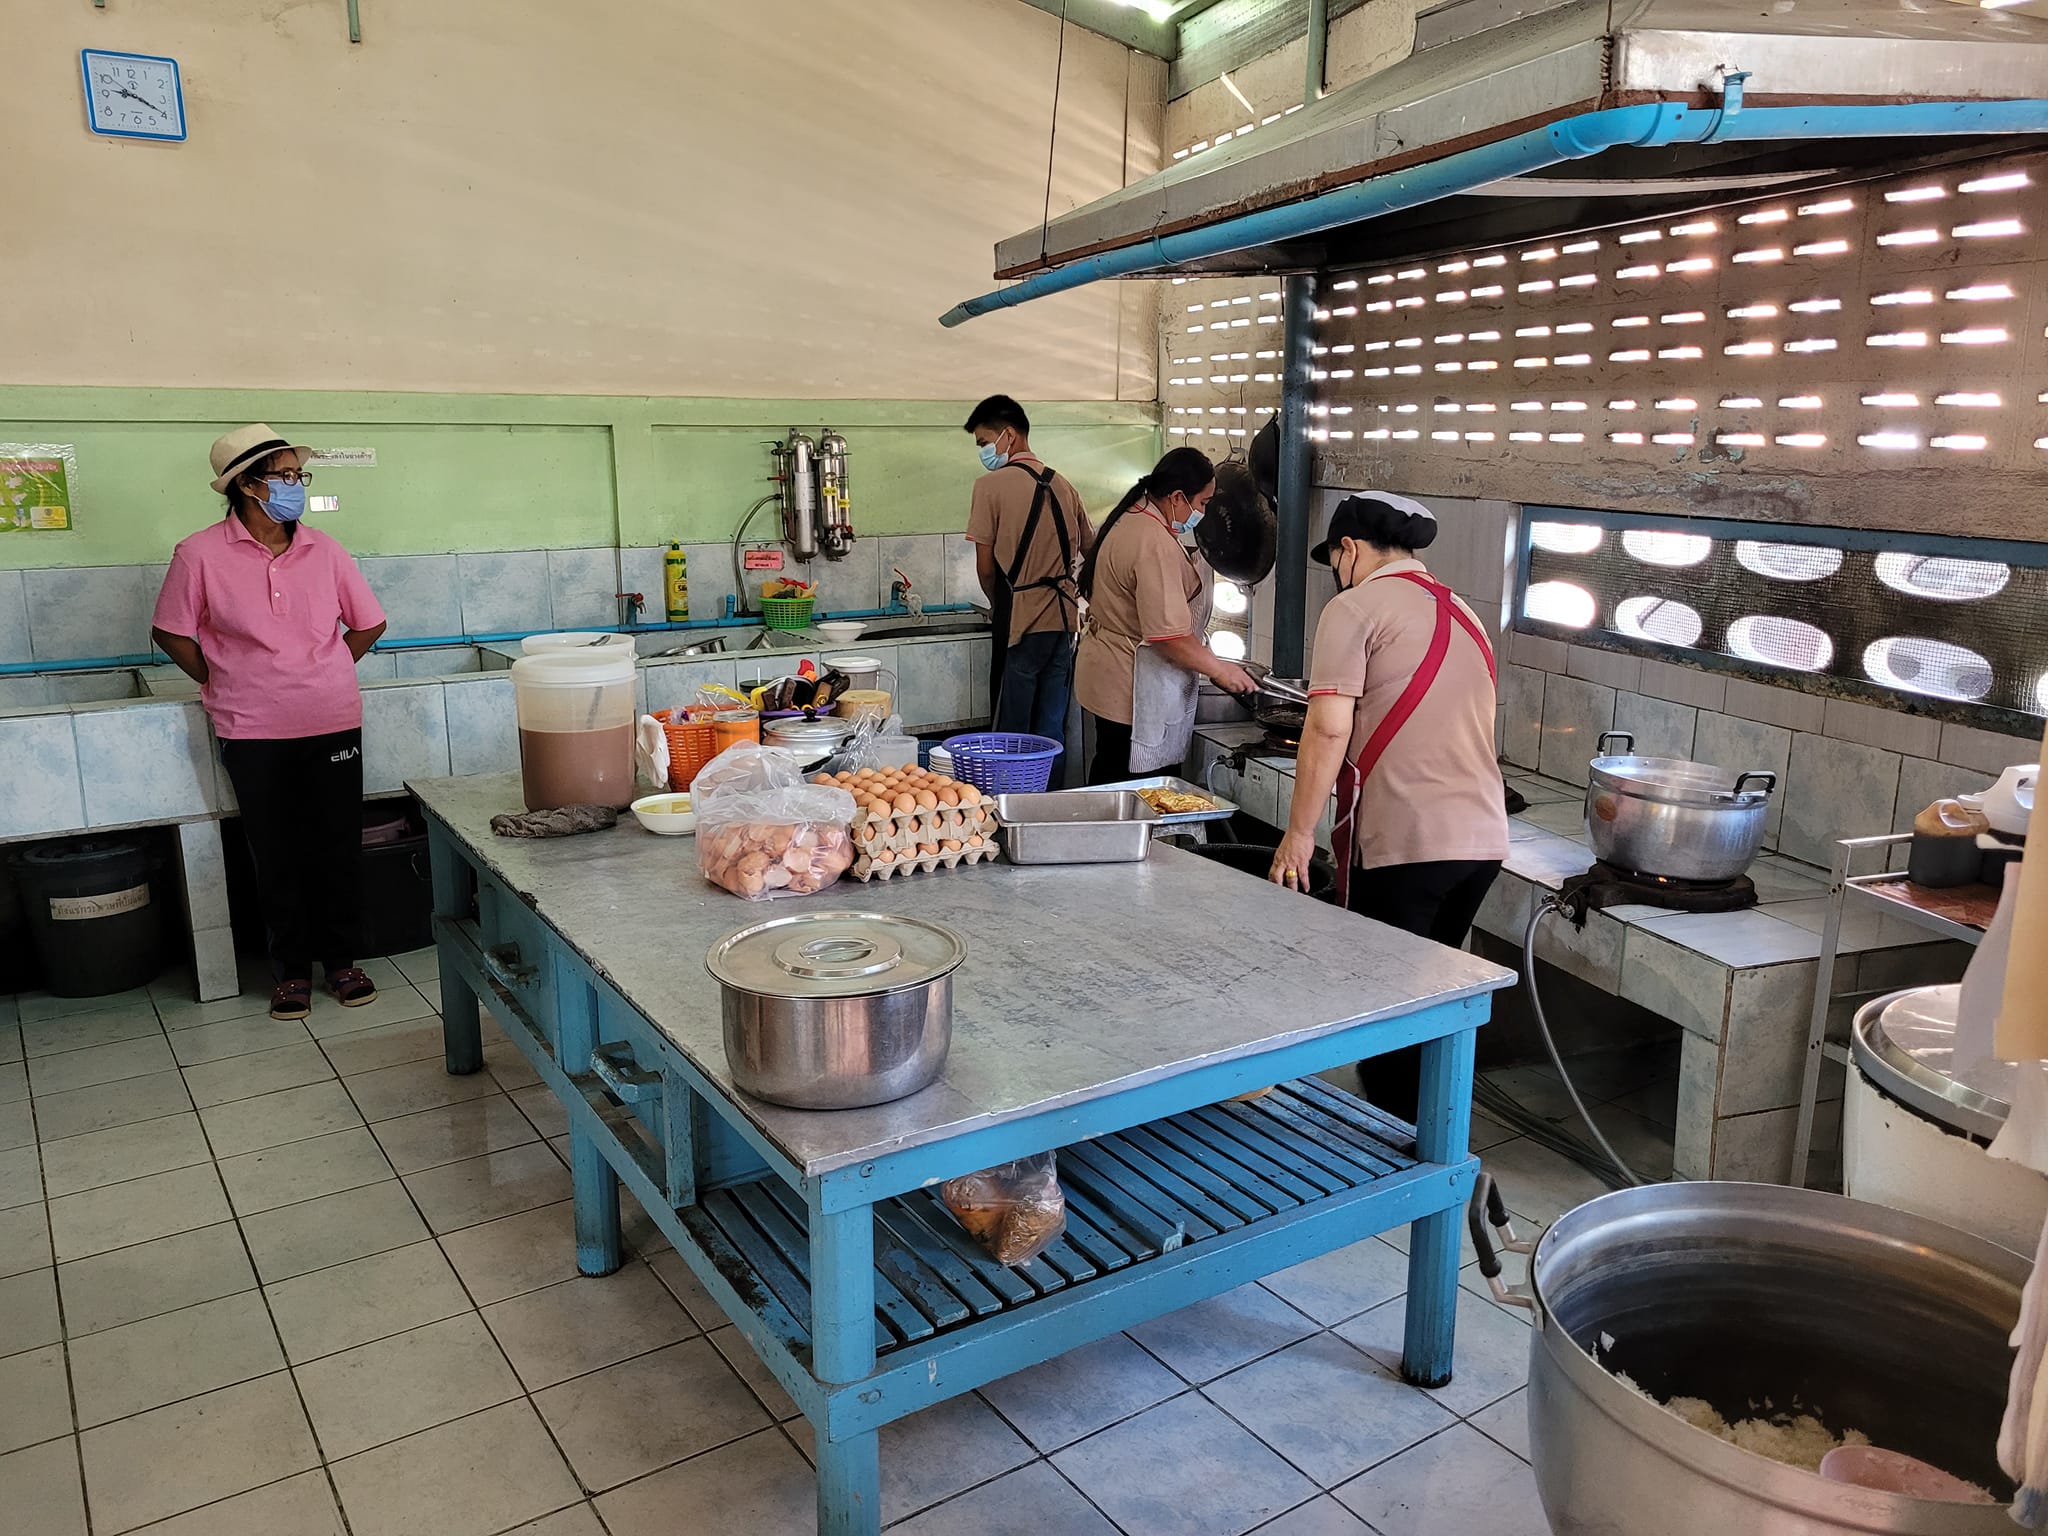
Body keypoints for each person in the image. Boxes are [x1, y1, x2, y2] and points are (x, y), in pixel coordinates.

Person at [1267, 493, 1508, 1121]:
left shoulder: (1353, 608)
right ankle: (1428, 1128)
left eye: (1334, 560)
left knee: (1385, 1008)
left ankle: (1402, 1150)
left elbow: (1326, 727)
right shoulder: (1465, 612)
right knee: (1427, 996)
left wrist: (1298, 833)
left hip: (1408, 839)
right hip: (1481, 840)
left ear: (1348, 549)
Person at [151, 425, 389, 1022]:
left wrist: (325, 670)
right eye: (283, 476)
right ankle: (291, 973)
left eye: (297, 475)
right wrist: (221, 679)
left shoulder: (325, 550)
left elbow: (369, 623)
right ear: (247, 485)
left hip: (331, 720)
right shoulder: (198, 554)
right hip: (251, 729)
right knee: (275, 852)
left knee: (336, 846)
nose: (294, 486)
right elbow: (170, 630)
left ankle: (342, 963)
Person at [1074, 446, 1257, 784]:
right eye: (1203, 503)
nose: (1203, 512)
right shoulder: (1152, 542)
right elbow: (1168, 636)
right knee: (1135, 785)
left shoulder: (1132, 516)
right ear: (1176, 497)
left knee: (1110, 771)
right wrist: (1220, 670)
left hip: (1107, 673)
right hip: (1129, 685)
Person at [963, 395, 1092, 740]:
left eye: (984, 442)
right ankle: (1049, 778)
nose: (983, 451)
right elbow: (1091, 551)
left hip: (1019, 620)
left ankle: (1012, 779)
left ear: (1009, 435)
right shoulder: (1065, 485)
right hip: (1064, 621)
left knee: (1012, 731)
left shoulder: (989, 487)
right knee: (1051, 728)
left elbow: (986, 568)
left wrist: (997, 604)